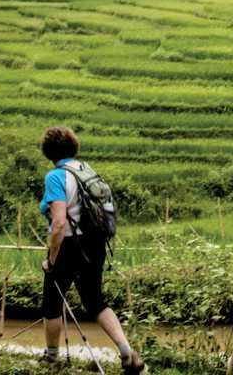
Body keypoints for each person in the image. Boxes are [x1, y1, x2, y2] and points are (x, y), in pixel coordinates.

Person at [38, 125, 144, 373]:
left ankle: (51, 357)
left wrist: (51, 260)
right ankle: (127, 353)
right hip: (95, 243)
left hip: (70, 244)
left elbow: (59, 223)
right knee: (95, 301)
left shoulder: (55, 176)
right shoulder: (86, 170)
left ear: (48, 151)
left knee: (52, 301)